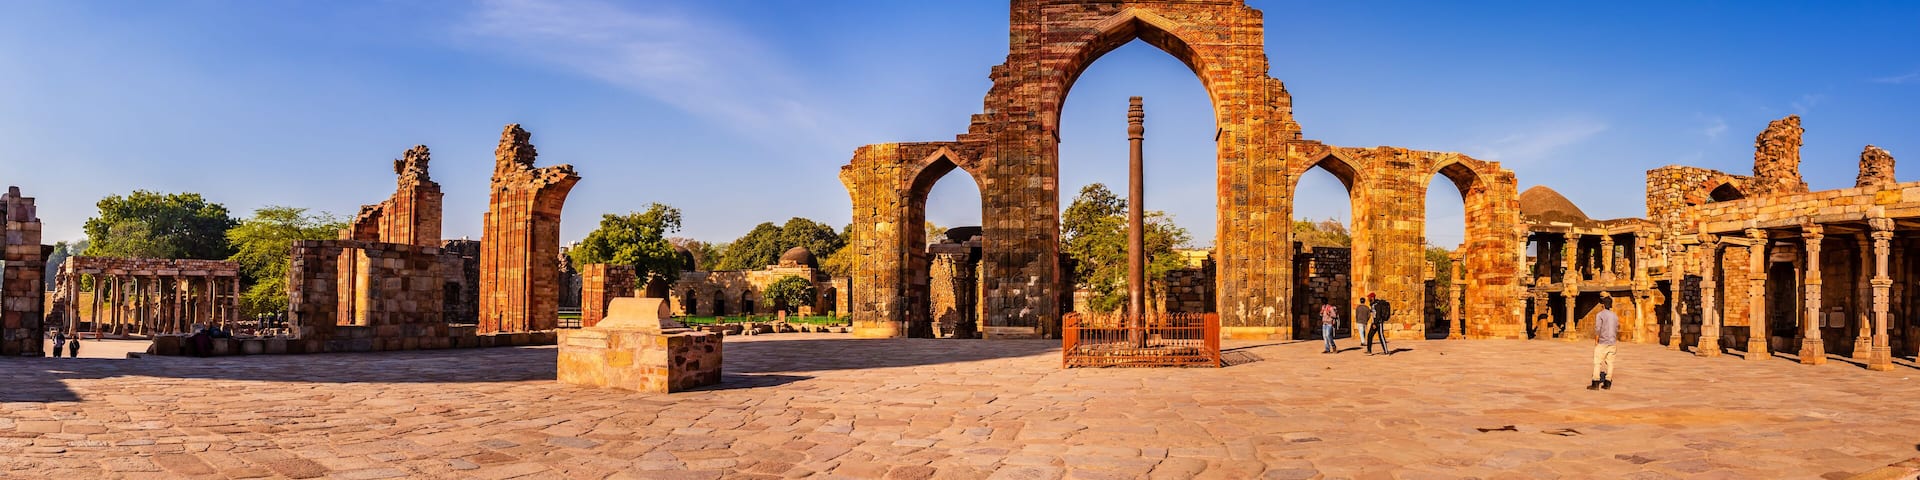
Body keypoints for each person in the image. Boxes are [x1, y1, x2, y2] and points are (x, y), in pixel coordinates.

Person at [1589, 296, 1619, 390]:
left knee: (1597, 362)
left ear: (1602, 305)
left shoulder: (1600, 314)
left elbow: (1598, 328)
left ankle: (1595, 382)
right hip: (1612, 342)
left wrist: (1596, 340)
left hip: (1603, 342)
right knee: (1610, 363)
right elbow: (1616, 328)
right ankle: (1608, 382)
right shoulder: (1615, 315)